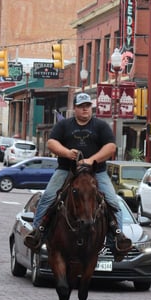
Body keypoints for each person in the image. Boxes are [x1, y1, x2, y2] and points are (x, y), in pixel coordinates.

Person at [24, 92, 133, 256]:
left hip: (96, 172)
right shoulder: (64, 125)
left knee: (113, 202)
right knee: (48, 197)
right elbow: (51, 142)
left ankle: (117, 240)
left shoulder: (101, 126)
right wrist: (67, 153)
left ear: (91, 108)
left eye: (87, 106)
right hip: (66, 170)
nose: (85, 110)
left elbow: (111, 147)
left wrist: (91, 160)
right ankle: (37, 234)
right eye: (81, 107)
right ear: (74, 108)